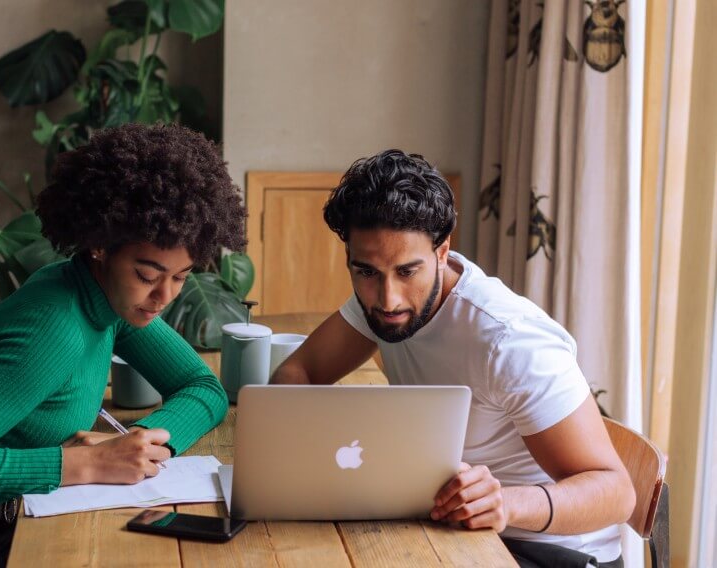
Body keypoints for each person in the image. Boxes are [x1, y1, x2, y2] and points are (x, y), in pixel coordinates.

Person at [0, 123, 246, 566]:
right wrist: (87, 465)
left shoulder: (111, 303)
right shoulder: (53, 328)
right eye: (148, 275)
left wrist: (150, 441)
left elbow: (203, 387)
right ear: (100, 247)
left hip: (4, 518)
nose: (163, 297)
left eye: (180, 277)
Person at [271, 149, 635, 567]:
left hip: (551, 551)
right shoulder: (378, 301)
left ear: (443, 251)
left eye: (407, 272)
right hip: (450, 531)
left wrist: (506, 503)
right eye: (366, 272)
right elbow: (299, 370)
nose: (388, 299)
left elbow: (617, 492)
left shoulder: (509, 340)